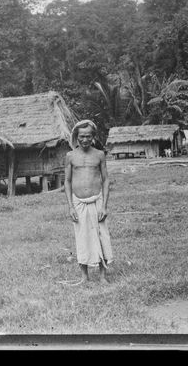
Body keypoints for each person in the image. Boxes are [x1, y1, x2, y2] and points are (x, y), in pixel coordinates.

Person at [64, 119, 113, 284]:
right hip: (78, 203)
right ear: (76, 137)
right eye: (81, 136)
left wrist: (104, 206)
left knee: (100, 236)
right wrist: (71, 207)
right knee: (82, 237)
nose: (84, 140)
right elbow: (67, 182)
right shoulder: (70, 156)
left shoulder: (99, 155)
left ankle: (102, 275)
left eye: (88, 136)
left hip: (97, 201)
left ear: (93, 137)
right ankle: (84, 276)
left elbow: (106, 180)